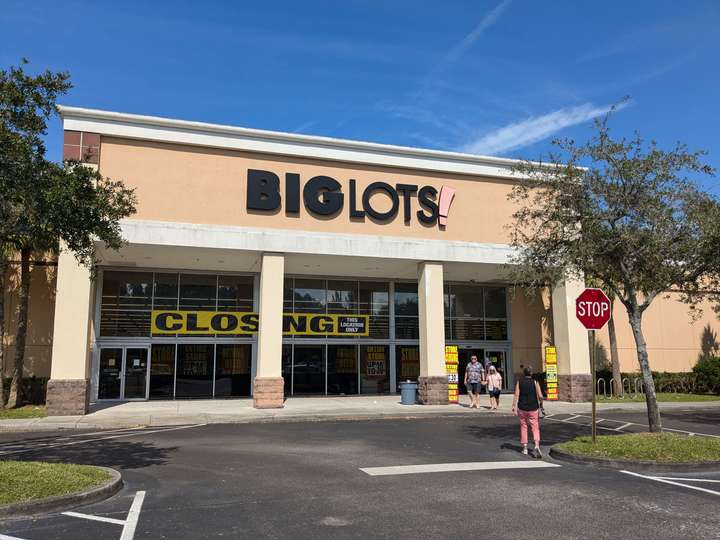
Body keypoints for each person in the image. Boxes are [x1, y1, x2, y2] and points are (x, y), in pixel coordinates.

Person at [511, 367, 544, 457]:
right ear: (531, 373)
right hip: (533, 407)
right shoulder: (535, 382)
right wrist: (541, 404)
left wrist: (513, 406)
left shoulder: (519, 382)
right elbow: (540, 396)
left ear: (524, 373)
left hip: (522, 407)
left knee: (524, 426)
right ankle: (536, 445)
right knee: (535, 427)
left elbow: (516, 394)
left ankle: (525, 448)